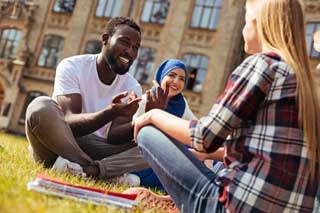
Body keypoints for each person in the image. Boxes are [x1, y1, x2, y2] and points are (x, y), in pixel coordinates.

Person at [125, 0, 320, 212]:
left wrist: (153, 115)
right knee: (220, 161)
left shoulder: (263, 65)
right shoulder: (307, 85)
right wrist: (209, 155)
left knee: (147, 132)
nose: (244, 29)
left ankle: (185, 204)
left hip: (232, 207)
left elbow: (203, 136)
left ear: (258, 24)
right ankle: (180, 203)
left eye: (246, 22)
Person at [25, 17, 149, 185]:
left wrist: (144, 121)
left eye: (135, 47)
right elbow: (69, 121)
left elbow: (113, 137)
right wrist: (110, 112)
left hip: (98, 148)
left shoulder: (132, 85)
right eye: (124, 42)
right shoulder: (72, 66)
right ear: (105, 39)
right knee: (40, 106)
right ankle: (100, 172)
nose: (130, 52)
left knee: (154, 142)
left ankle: (84, 170)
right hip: (62, 142)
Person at [131, 59, 197, 190]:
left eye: (182, 79)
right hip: (142, 154)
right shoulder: (149, 98)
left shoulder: (181, 104)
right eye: (171, 75)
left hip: (165, 157)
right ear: (161, 75)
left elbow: (195, 127)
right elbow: (134, 127)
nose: (176, 82)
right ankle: (133, 177)